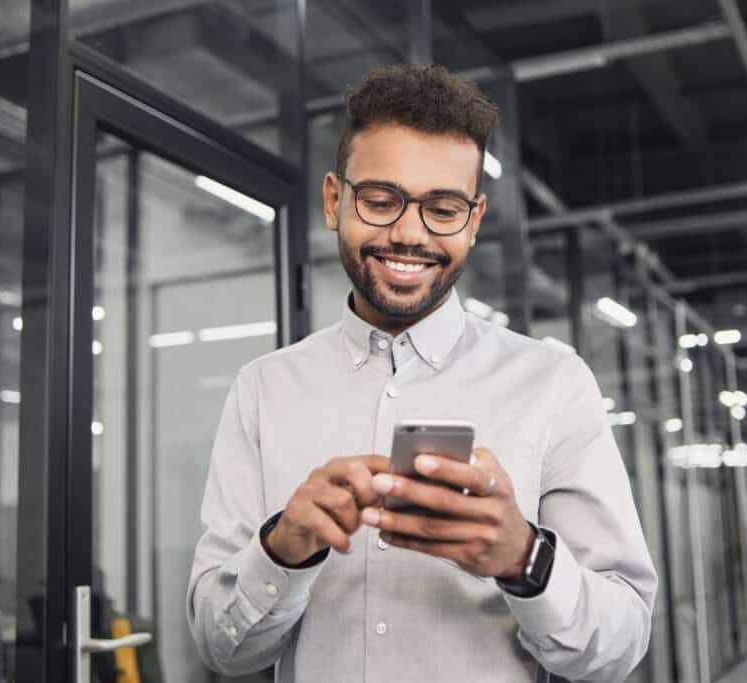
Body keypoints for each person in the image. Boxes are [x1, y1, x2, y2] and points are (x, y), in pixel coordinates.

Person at [187, 63, 657, 683]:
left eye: (442, 208)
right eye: (380, 201)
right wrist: (283, 549)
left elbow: (619, 649)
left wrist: (524, 557)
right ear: (335, 200)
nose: (409, 234)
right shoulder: (263, 389)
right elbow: (222, 649)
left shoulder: (553, 383)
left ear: (475, 217)